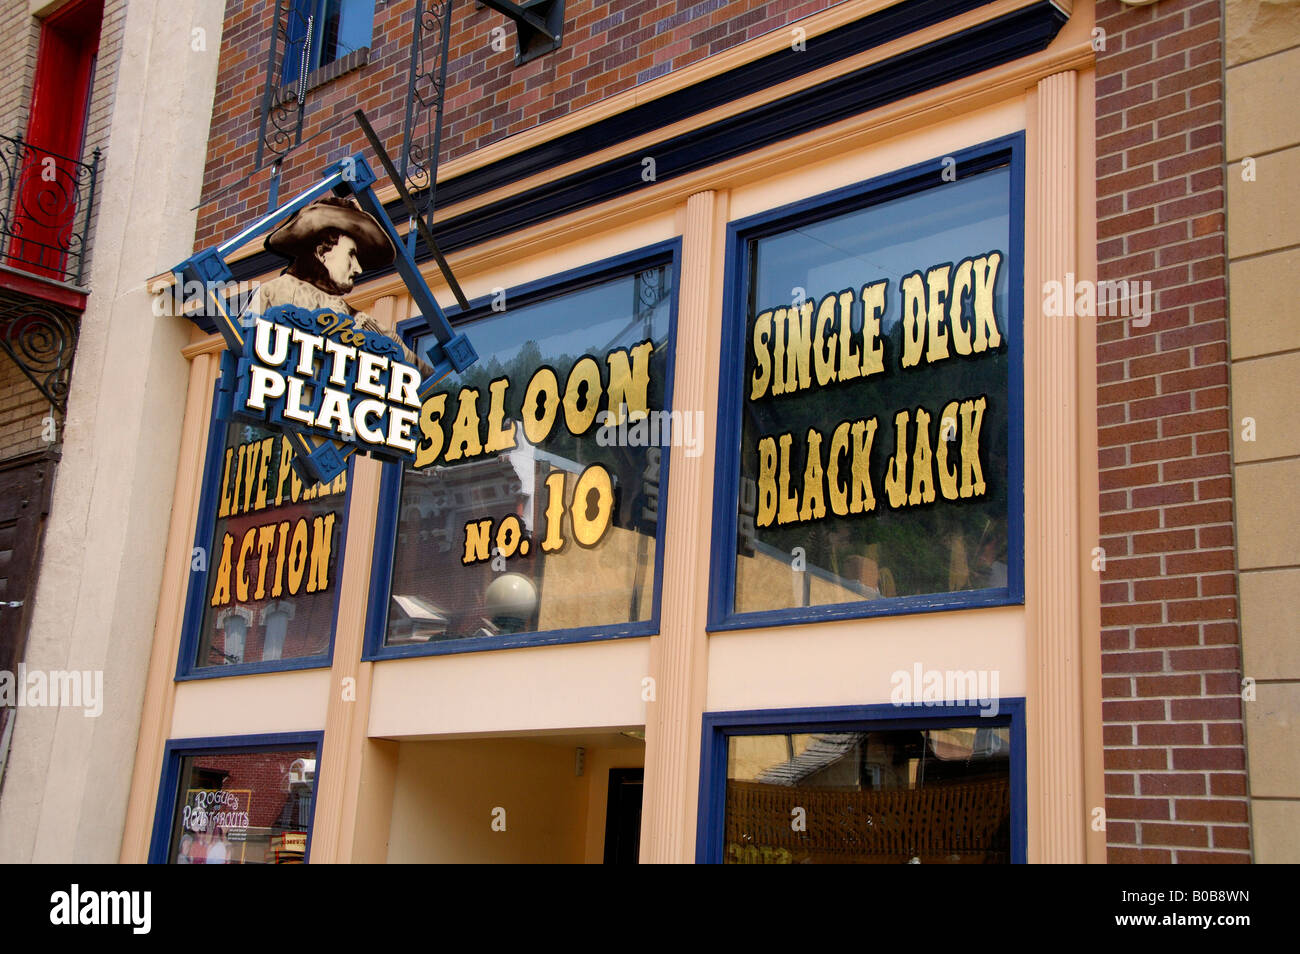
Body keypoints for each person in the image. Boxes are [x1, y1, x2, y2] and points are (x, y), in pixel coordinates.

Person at [246, 195, 428, 372]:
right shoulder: (271, 294)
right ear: (322, 252)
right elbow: (242, 352)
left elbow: (416, 366)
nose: (358, 268)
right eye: (351, 254)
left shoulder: (361, 321)